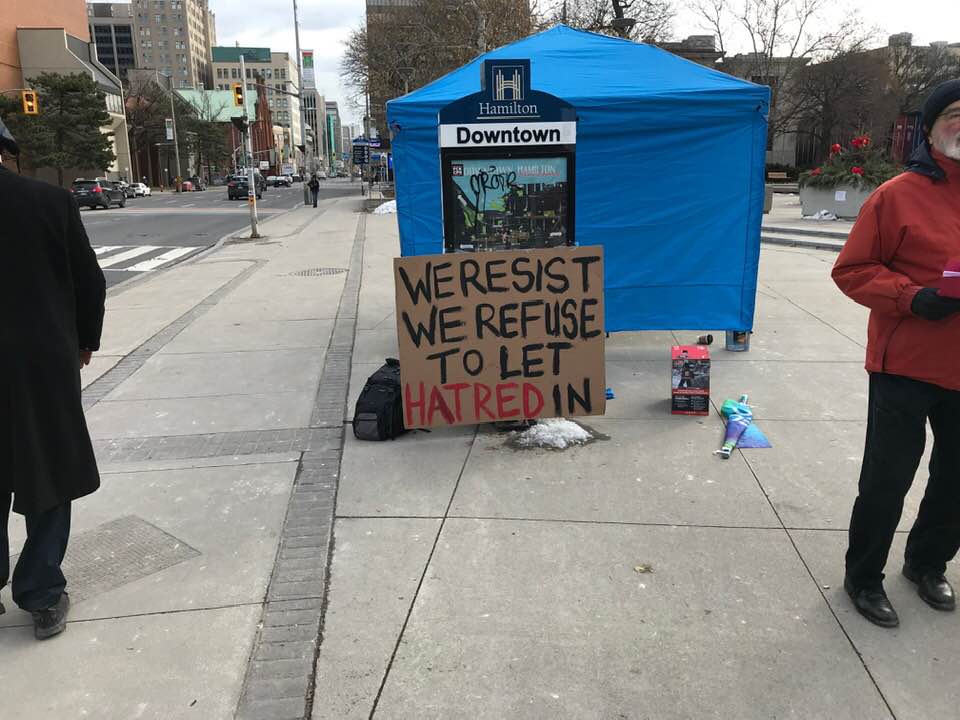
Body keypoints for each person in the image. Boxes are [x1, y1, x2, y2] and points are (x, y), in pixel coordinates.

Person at [832, 79, 960, 628]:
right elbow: (852, 270)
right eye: (954, 113)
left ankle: (927, 563)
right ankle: (864, 577)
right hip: (904, 362)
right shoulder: (897, 195)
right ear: (928, 128)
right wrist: (912, 297)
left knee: (956, 479)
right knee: (888, 477)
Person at [0, 117, 106, 639]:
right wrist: (84, 340)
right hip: (41, 363)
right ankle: (41, 593)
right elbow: (90, 280)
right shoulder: (49, 202)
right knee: (47, 471)